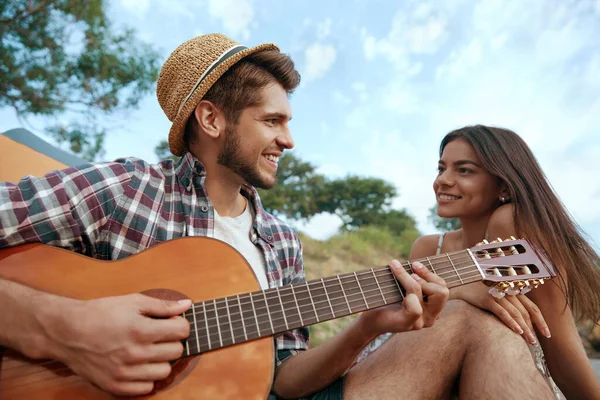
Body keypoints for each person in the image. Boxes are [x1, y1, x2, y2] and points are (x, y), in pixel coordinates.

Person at [0, 34, 554, 399]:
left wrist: (367, 326)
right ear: (212, 119)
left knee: (475, 324)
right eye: (272, 121)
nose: (288, 140)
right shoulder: (127, 189)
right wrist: (61, 328)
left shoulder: (280, 241)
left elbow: (286, 382)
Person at [365, 125, 600, 399]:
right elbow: (409, 337)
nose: (443, 180)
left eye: (464, 170)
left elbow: (560, 346)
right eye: (441, 168)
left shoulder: (512, 224)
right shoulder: (429, 247)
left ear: (503, 184)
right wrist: (459, 290)